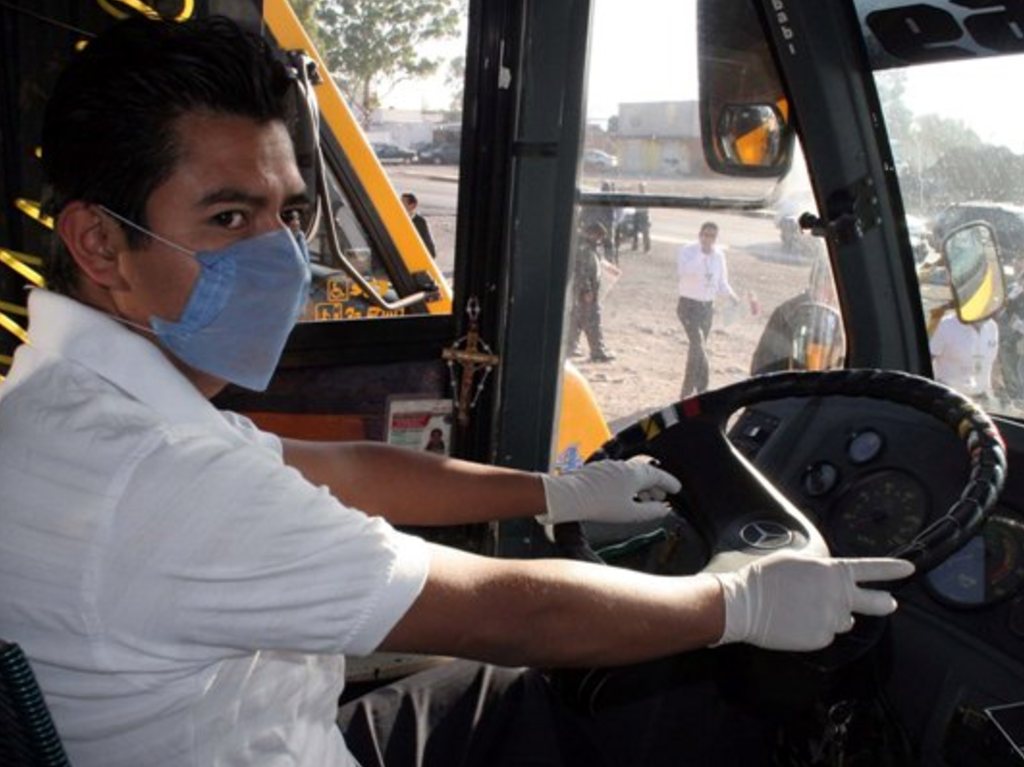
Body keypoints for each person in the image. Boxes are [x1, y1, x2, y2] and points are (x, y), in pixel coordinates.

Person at [0, 16, 914, 767]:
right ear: (98, 244)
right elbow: (514, 610)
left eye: (290, 212)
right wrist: (740, 603)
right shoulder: (169, 482)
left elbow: (339, 468)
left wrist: (549, 491)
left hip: (240, 727)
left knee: (521, 701)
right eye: (229, 216)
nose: (279, 255)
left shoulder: (67, 407)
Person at [750, 252, 845, 375]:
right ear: (820, 282)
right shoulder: (790, 313)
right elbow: (764, 364)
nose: (834, 293)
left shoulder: (835, 317)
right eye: (831, 285)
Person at [676, 221, 739, 396]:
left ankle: (699, 389)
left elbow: (721, 282)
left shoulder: (719, 256)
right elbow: (684, 273)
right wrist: (702, 255)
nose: (708, 239)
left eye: (711, 236)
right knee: (698, 345)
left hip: (706, 308)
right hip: (689, 305)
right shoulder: (688, 251)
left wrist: (732, 297)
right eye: (705, 235)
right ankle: (691, 389)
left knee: (699, 348)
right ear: (699, 234)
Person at [568, 220, 615, 362]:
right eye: (598, 236)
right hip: (585, 292)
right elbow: (582, 270)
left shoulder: (587, 247)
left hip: (582, 291)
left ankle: (570, 347)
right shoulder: (584, 249)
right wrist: (587, 290)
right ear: (592, 234)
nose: (599, 240)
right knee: (593, 320)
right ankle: (597, 352)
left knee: (577, 319)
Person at [930, 309, 1000, 400]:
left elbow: (992, 361)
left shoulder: (992, 326)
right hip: (949, 397)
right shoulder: (945, 326)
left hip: (981, 398)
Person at [401, 191, 437, 259]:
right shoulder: (396, 218)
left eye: (403, 203)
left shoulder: (419, 222)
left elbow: (427, 242)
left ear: (412, 205)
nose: (399, 205)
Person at [632, 181, 651, 253]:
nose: (641, 188)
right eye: (640, 187)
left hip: (644, 214)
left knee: (645, 231)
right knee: (635, 231)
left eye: (642, 187)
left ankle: (647, 247)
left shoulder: (647, 196)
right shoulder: (637, 196)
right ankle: (635, 246)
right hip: (638, 213)